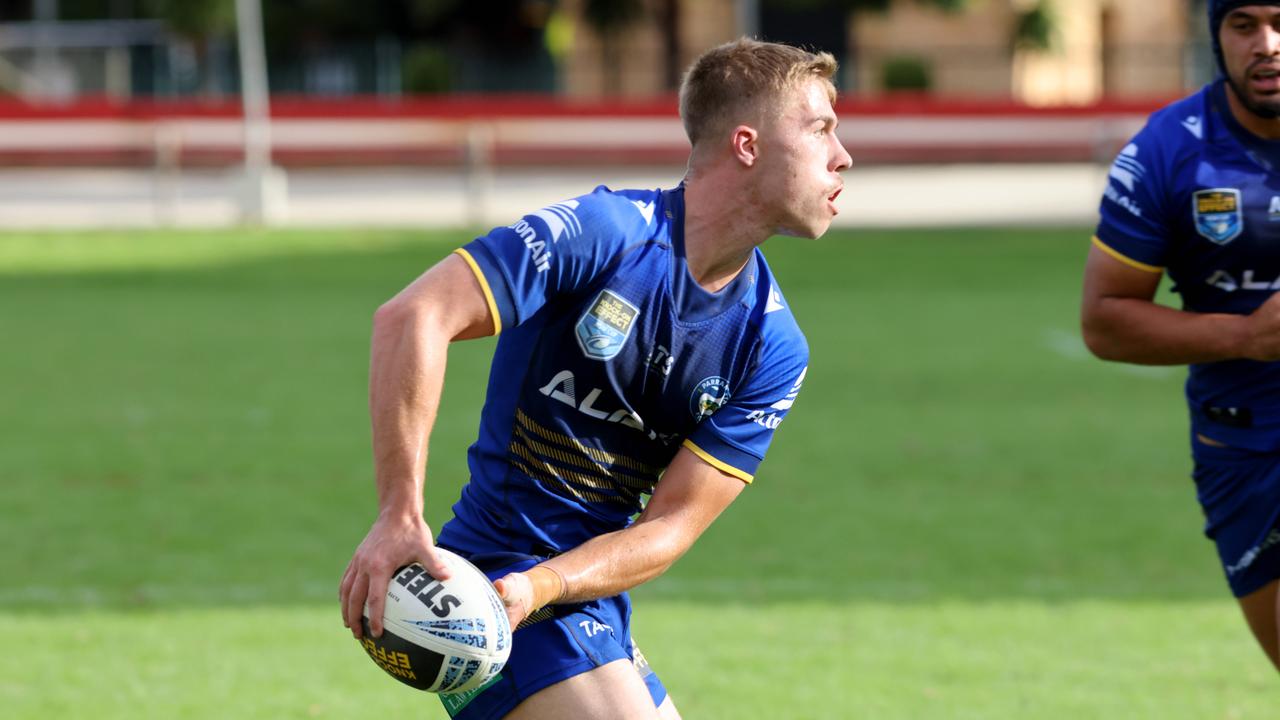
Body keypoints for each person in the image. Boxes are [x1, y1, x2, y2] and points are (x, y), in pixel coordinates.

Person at [339, 37, 852, 719]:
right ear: (748, 146)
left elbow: (671, 527)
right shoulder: (606, 233)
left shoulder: (772, 344)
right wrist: (399, 515)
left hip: (570, 597)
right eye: (820, 128)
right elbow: (412, 316)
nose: (842, 155)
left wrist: (548, 585)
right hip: (490, 575)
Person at [1082, 0, 1280, 671]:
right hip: (1247, 444)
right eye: (1244, 24)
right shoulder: (1169, 149)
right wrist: (1248, 335)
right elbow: (1105, 319)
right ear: (1216, 34)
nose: (1267, 44)